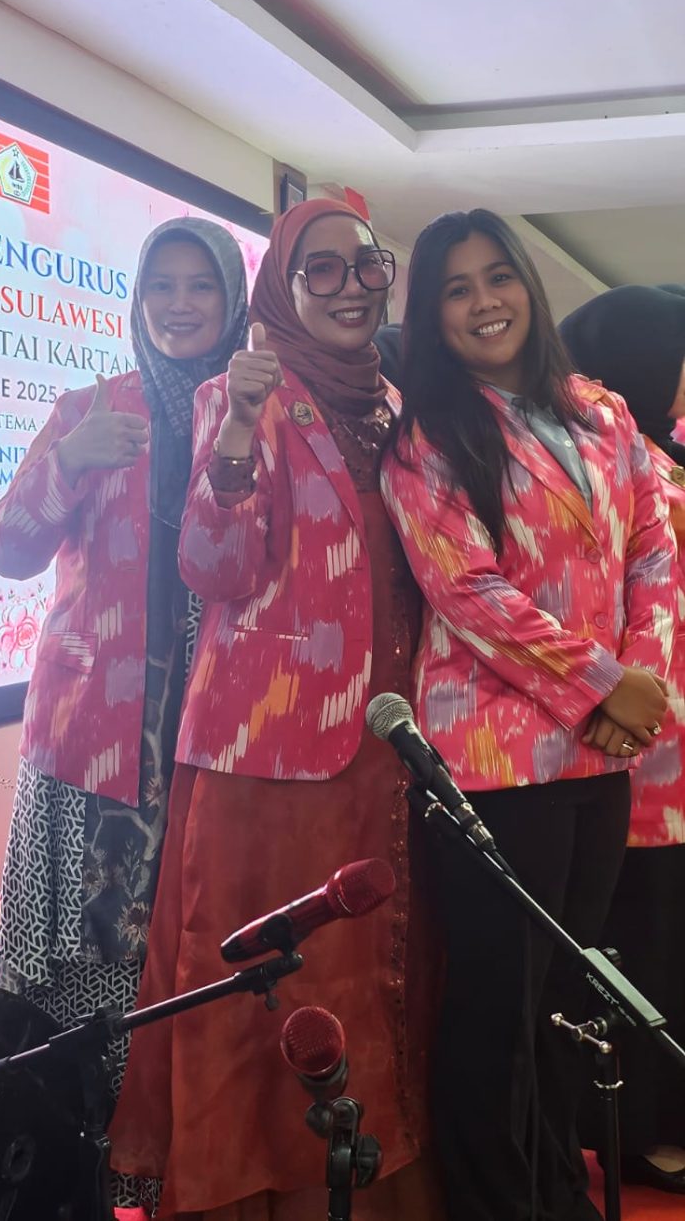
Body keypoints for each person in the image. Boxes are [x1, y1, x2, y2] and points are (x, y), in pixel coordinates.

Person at [110, 198, 443, 1220]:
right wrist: (237, 434)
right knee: (266, 983)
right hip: (264, 758)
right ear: (283, 289)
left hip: (385, 743)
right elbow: (214, 567)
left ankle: (358, 1187)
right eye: (320, 270)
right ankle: (250, 1186)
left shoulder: (396, 406)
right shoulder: (242, 391)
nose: (349, 287)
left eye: (365, 265)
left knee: (365, 973)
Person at [380, 210, 677, 1221]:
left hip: (602, 757)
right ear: (432, 312)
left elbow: (653, 552)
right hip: (495, 765)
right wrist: (601, 684)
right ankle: (499, 1202)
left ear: (529, 287)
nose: (484, 302)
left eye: (498, 277)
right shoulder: (426, 437)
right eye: (456, 288)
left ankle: (558, 1188)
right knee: (499, 1007)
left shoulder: (603, 411)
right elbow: (467, 592)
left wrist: (640, 686)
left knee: (565, 999)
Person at [0, 217, 249, 1207]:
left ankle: (167, 1161)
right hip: (89, 748)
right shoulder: (90, 408)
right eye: (161, 286)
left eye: (201, 285)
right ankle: (62, 1166)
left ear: (231, 300)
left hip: (209, 741)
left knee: (183, 960)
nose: (180, 304)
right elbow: (8, 549)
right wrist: (69, 460)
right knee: (76, 973)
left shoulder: (251, 417)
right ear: (137, 302)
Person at [561, 285, 685, 1194]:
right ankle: (642, 1128)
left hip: (672, 752)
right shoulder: (605, 461)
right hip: (640, 747)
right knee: (645, 938)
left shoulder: (662, 455)